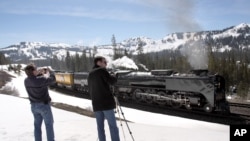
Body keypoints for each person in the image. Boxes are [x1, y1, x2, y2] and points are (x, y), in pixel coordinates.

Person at [87, 56, 120, 141]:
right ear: (98, 63)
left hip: (96, 105)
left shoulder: (90, 74)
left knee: (100, 127)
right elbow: (112, 81)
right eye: (104, 62)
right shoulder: (102, 71)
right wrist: (115, 76)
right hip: (106, 104)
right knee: (113, 126)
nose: (106, 64)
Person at [24, 64, 56, 141]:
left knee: (37, 126)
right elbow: (52, 79)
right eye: (36, 69)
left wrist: (40, 73)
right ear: (33, 71)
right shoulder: (41, 80)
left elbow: (35, 79)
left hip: (34, 106)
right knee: (49, 125)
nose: (37, 69)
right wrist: (51, 72)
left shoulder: (26, 81)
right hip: (44, 106)